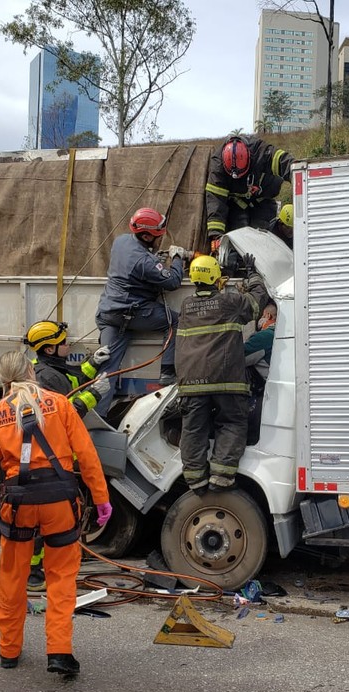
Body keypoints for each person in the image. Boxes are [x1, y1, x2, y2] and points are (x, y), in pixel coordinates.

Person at [0, 351, 112, 677]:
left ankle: (9, 650)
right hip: (60, 503)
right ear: (32, 371)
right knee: (61, 578)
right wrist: (102, 499)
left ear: (3, 379)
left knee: (12, 578)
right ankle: (59, 651)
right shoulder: (60, 404)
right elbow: (86, 455)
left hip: (17, 505)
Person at [21, 320, 110, 590]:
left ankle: (45, 566)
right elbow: (65, 412)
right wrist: (93, 395)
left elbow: (73, 380)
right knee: (46, 521)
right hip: (52, 459)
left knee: (61, 516)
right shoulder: (46, 377)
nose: (68, 345)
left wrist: (93, 364)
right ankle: (34, 572)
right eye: (63, 343)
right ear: (49, 349)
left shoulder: (52, 370)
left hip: (56, 458)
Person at [175, 254, 269, 495]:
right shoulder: (230, 302)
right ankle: (221, 477)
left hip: (192, 383)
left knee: (193, 429)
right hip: (227, 382)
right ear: (216, 278)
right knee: (233, 422)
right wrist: (252, 273)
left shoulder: (186, 307)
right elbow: (258, 300)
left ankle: (195, 481)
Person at [94, 207, 188, 409]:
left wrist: (156, 261)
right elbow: (172, 281)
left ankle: (97, 419)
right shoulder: (144, 262)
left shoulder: (121, 241)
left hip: (110, 314)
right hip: (133, 313)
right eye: (158, 236)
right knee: (176, 321)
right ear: (146, 235)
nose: (160, 240)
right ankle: (167, 373)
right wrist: (177, 259)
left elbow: (139, 266)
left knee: (106, 372)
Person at [205, 135, 294, 250]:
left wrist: (296, 171)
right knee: (238, 238)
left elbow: (282, 161)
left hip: (263, 200)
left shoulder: (260, 152)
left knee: (262, 240)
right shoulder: (218, 167)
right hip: (237, 203)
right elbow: (216, 201)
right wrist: (216, 236)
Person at [244, 300, 277, 370]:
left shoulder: (265, 336)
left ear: (268, 316)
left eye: (263, 315)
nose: (261, 319)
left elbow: (238, 356)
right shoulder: (278, 334)